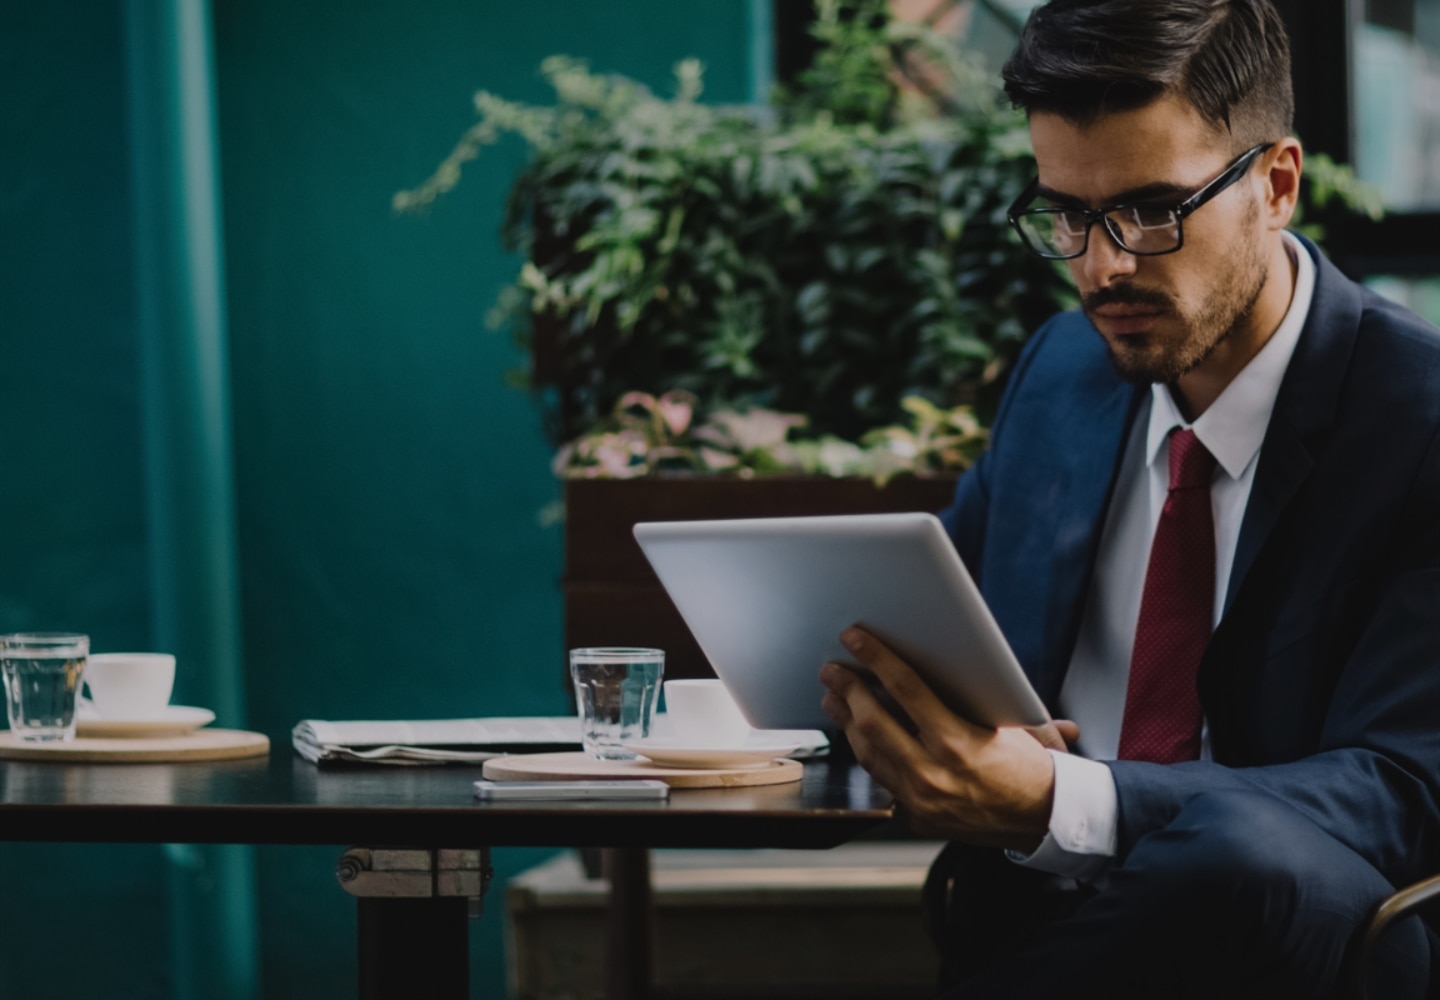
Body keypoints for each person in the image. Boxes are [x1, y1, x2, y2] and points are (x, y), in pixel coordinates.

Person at [817, 1, 1440, 997]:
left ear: (1277, 185)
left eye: (1153, 211)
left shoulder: (1418, 418)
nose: (1104, 266)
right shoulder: (1063, 372)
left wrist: (1068, 800)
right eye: (1067, 213)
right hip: (1035, 918)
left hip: (1301, 942)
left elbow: (1404, 790)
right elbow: (937, 623)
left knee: (1244, 858)